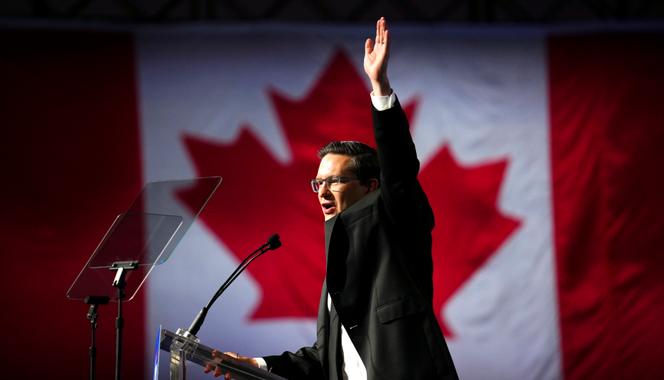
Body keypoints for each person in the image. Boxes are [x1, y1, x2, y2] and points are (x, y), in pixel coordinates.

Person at [205, 17, 459, 380]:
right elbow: (326, 358)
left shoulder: (399, 225)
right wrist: (256, 365)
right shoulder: (338, 271)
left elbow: (400, 170)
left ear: (371, 186)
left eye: (335, 181)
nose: (322, 191)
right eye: (317, 183)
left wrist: (380, 87)